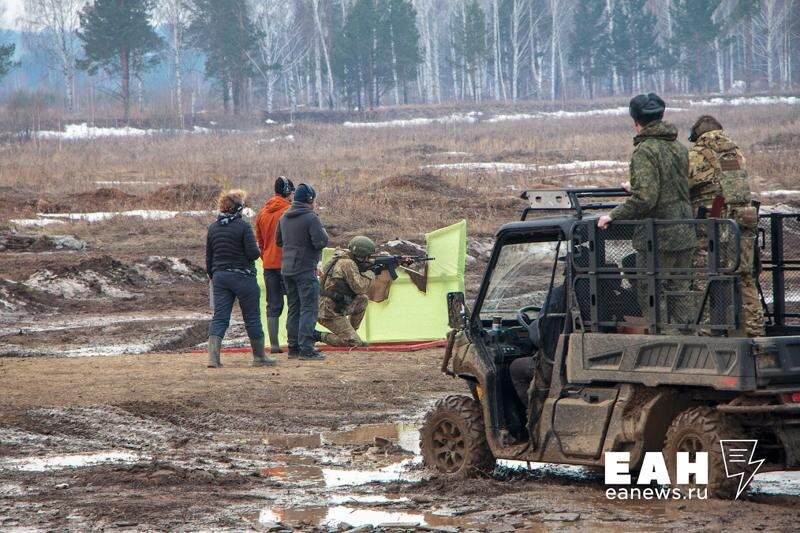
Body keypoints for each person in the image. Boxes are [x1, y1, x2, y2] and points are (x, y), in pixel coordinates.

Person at [597, 93, 695, 330]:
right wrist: (638, 187)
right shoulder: (678, 148)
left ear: (636, 121)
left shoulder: (645, 151)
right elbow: (674, 186)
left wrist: (613, 215)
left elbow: (646, 198)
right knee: (681, 288)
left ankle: (663, 340)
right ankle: (688, 337)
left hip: (659, 236)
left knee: (651, 289)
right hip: (684, 230)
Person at [688, 115, 764, 337]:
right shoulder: (735, 153)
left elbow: (683, 182)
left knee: (705, 274)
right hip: (744, 219)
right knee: (745, 276)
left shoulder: (697, 155)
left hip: (716, 219)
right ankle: (755, 331)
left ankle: (708, 331)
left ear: (698, 136)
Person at [206, 189, 276, 368]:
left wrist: (216, 276)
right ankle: (259, 357)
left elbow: (209, 258)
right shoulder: (243, 227)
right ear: (239, 209)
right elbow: (253, 254)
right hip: (243, 277)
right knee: (252, 317)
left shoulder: (213, 228)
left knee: (220, 317)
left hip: (220, 277)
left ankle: (213, 359)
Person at [276, 183, 329, 360]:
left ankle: (293, 348)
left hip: (287, 270)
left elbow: (278, 241)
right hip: (305, 269)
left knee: (294, 308)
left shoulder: (284, 217)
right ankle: (307, 348)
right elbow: (321, 242)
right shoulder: (311, 218)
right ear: (310, 199)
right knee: (308, 308)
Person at [255, 176, 295, 353]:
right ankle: (294, 342)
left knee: (273, 305)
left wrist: (267, 258)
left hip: (269, 265)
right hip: (289, 265)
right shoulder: (290, 211)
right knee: (295, 303)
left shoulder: (262, 213)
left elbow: (260, 242)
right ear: (288, 192)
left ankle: (274, 345)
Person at [316, 236, 377, 347]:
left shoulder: (339, 259)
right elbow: (360, 288)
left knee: (362, 300)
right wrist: (371, 273)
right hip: (327, 312)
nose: (368, 259)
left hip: (332, 306)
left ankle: (352, 334)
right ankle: (315, 335)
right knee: (353, 342)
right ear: (360, 254)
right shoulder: (347, 264)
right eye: (367, 256)